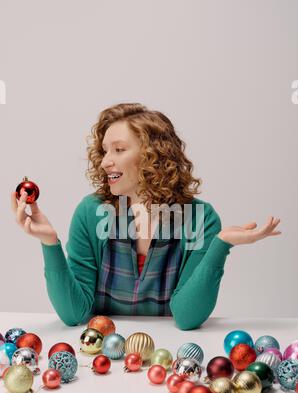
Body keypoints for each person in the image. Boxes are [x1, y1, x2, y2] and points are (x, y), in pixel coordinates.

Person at [11, 103, 281, 330]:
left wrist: (220, 245)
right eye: (105, 150)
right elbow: (74, 314)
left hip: (167, 360)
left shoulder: (200, 218)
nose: (105, 161)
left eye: (118, 150)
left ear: (154, 156)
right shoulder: (90, 212)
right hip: (100, 357)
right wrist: (49, 242)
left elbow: (187, 318)